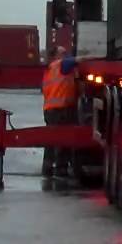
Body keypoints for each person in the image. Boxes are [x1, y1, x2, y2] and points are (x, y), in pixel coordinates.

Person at [41, 45, 79, 177]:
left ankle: (48, 167)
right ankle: (60, 168)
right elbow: (79, 59)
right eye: (63, 53)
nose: (66, 55)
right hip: (59, 110)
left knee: (52, 140)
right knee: (63, 139)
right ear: (56, 55)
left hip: (51, 110)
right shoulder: (61, 64)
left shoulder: (50, 69)